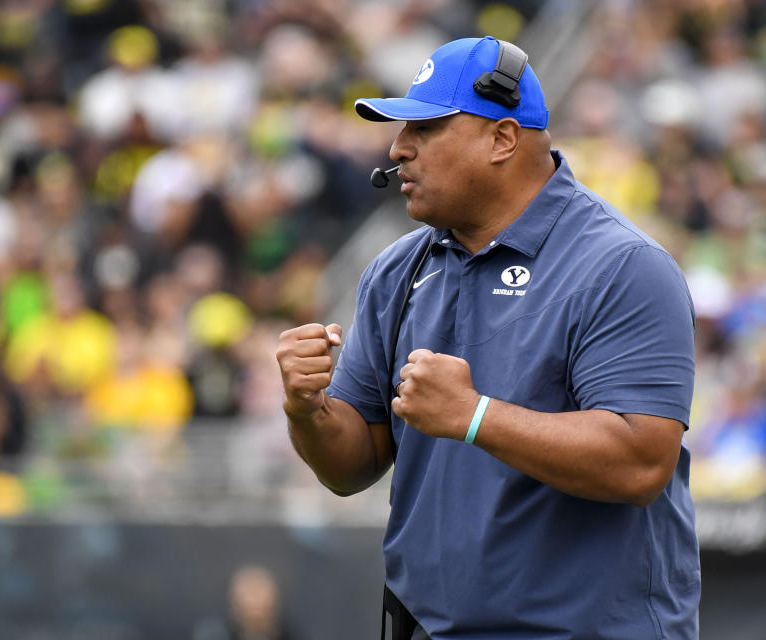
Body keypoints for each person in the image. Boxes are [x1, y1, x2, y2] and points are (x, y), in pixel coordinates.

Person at [276, 36, 699, 639]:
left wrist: (474, 416)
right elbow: (352, 465)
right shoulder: (397, 270)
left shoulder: (623, 265)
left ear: (503, 139)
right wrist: (307, 409)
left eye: (426, 129)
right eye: (402, 130)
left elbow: (640, 463)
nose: (398, 148)